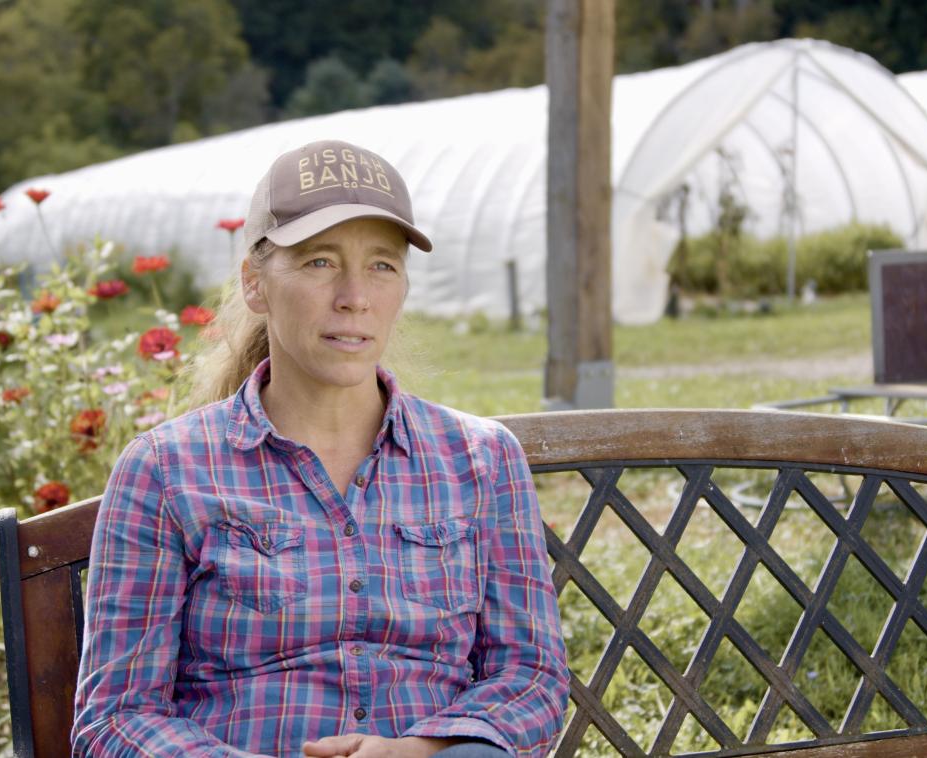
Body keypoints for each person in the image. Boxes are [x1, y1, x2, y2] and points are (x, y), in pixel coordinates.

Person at [71, 139, 569, 758]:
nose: (355, 296)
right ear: (256, 283)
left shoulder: (480, 459)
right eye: (319, 263)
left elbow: (531, 679)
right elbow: (117, 716)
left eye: (382, 265)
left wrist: (425, 749)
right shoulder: (168, 471)